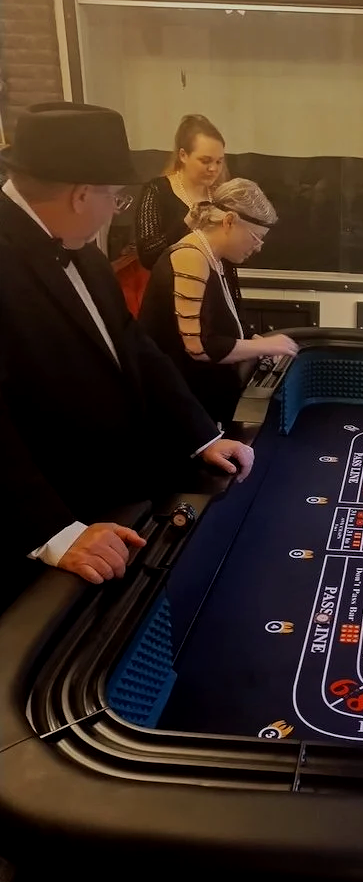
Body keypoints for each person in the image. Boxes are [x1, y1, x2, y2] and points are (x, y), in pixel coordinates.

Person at [0, 102, 254, 601]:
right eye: (115, 197)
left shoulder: (83, 251)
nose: (116, 209)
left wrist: (202, 435)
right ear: (80, 195)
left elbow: (133, 347)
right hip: (48, 534)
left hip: (118, 499)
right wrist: (55, 532)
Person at [140, 179, 298, 426]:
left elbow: (222, 324)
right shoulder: (190, 258)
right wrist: (265, 347)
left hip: (200, 400)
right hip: (178, 411)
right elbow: (200, 348)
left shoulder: (215, 258)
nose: (258, 248)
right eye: (256, 238)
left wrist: (253, 341)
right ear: (229, 221)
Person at [136, 114, 241, 303]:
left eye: (219, 161)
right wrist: (186, 223)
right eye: (205, 160)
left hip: (217, 297)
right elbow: (148, 256)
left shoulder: (222, 195)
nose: (213, 169)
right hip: (174, 298)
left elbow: (235, 257)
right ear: (183, 155)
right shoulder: (157, 191)